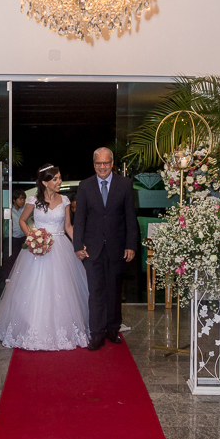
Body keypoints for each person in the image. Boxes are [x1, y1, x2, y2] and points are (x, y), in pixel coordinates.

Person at [0, 164, 90, 350]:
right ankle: (30, 326)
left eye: (59, 178)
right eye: (55, 179)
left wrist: (79, 244)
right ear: (44, 182)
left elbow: (68, 228)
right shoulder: (33, 200)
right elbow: (23, 220)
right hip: (38, 249)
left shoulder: (64, 200)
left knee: (62, 289)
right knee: (35, 288)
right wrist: (32, 237)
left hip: (60, 247)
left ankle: (63, 328)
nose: (59, 181)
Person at [73, 147, 138, 351]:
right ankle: (97, 334)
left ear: (112, 163)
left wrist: (130, 244)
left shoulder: (125, 184)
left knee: (114, 291)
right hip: (92, 249)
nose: (102, 167)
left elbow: (130, 217)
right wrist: (77, 245)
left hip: (117, 248)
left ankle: (112, 330)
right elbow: (79, 218)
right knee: (96, 292)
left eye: (106, 163)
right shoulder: (84, 186)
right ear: (94, 164)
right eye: (98, 163)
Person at [1, 187, 27, 281]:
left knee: (23, 259)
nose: (22, 201)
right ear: (14, 200)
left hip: (23, 237)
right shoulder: (9, 210)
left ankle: (20, 279)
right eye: (20, 199)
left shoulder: (24, 210)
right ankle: (7, 278)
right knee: (10, 259)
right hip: (12, 237)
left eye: (23, 199)